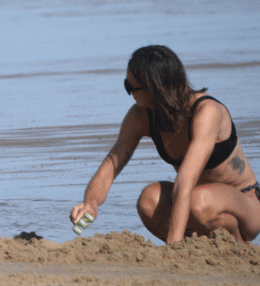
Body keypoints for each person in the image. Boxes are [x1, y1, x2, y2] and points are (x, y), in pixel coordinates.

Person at [70, 45, 260, 243]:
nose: (129, 93)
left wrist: (172, 246)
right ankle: (192, 251)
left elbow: (185, 181)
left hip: (245, 205)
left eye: (130, 87)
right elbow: (111, 164)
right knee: (149, 200)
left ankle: (238, 247)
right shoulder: (140, 117)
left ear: (154, 88)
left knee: (197, 201)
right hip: (196, 204)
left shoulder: (206, 112)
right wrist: (91, 203)